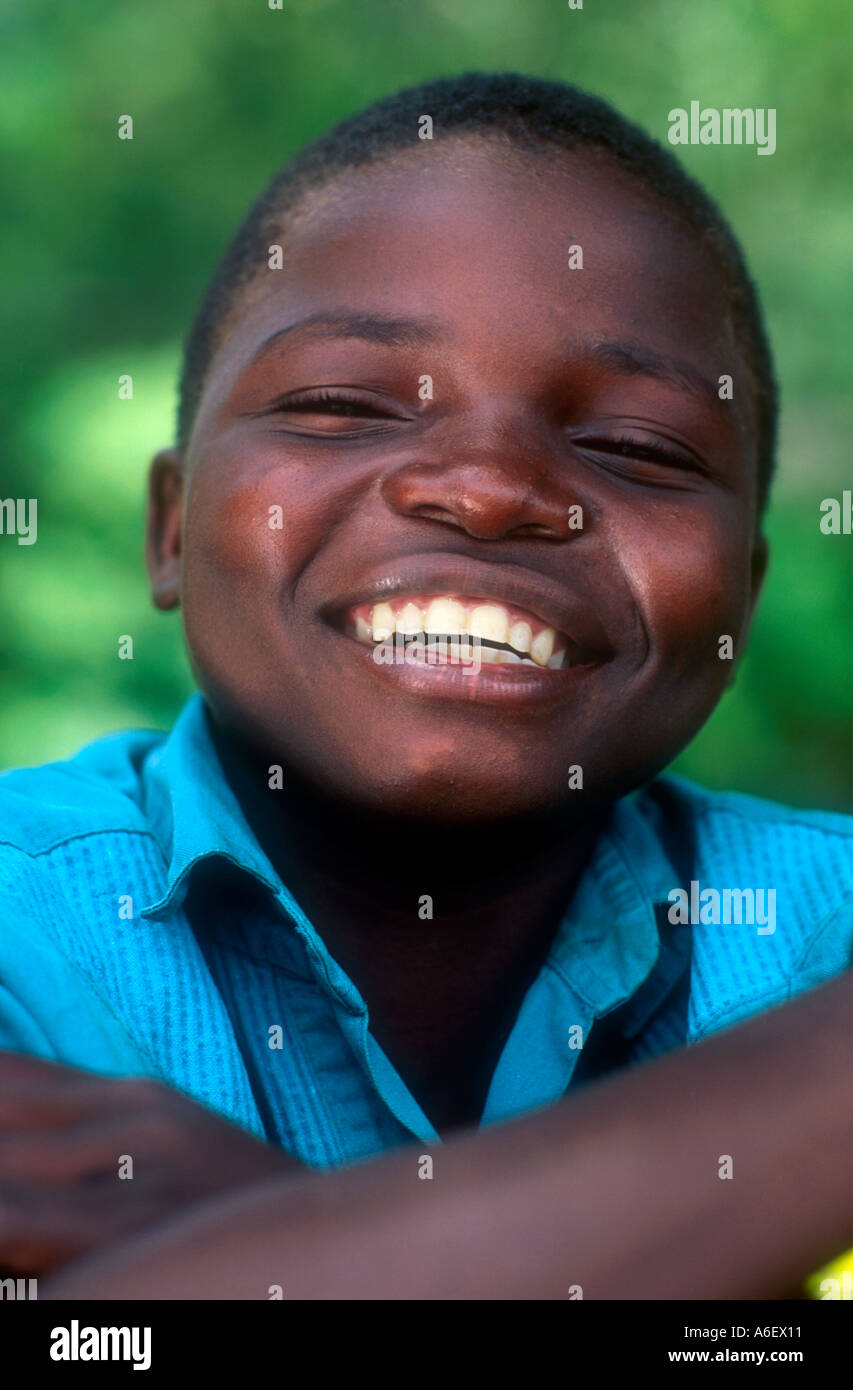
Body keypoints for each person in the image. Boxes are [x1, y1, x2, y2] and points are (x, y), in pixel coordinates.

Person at [1, 72, 851, 1298]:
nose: (489, 486)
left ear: (743, 598)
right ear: (170, 528)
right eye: (341, 406)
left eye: (634, 448)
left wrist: (285, 1245)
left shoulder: (814, 943)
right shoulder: (31, 944)